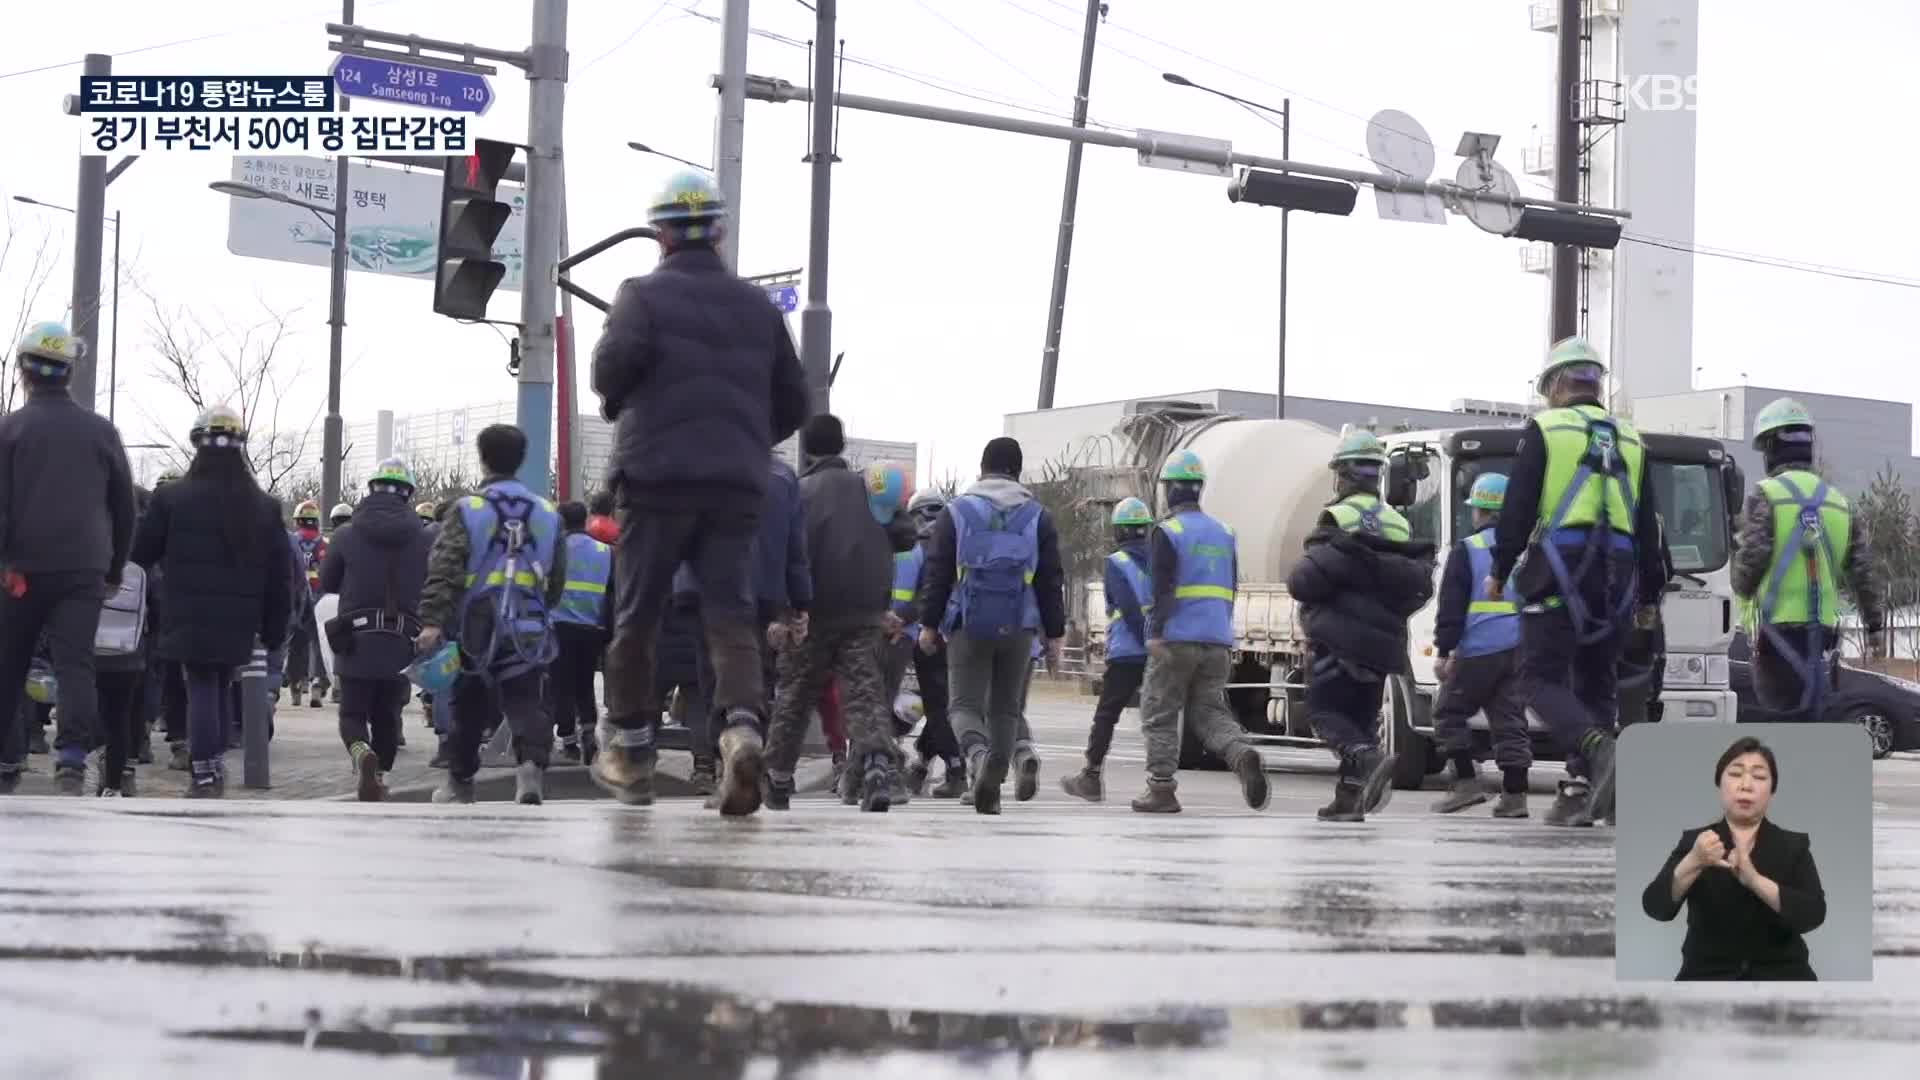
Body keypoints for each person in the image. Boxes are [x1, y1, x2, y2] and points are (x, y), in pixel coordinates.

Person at [589, 169, 809, 815]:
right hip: (736, 487)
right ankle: (741, 727)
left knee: (638, 617)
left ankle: (631, 749)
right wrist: (746, 440)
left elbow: (610, 370)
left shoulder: (640, 295)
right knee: (729, 616)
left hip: (656, 479)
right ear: (718, 230)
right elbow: (794, 398)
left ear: (660, 233)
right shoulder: (757, 307)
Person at [1490, 337, 1665, 828]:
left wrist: (1500, 570)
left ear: (1554, 384)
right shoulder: (1632, 439)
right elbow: (1649, 521)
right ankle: (1581, 789)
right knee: (1595, 679)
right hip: (1620, 573)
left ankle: (1596, 750)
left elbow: (1518, 509)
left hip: (1561, 566)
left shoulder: (1545, 429)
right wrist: (1649, 594)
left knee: (1536, 677)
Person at [0, 321, 138, 795]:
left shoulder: (9, 430)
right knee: (75, 664)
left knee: (9, 662)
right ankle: (72, 760)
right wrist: (115, 567)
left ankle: (5, 760)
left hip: (20, 569)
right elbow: (125, 508)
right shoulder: (101, 432)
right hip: (84, 568)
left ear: (25, 372)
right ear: (68, 372)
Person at [129, 405, 292, 797]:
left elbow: (140, 553)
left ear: (198, 444)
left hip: (187, 611)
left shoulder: (171, 499)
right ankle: (213, 765)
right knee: (220, 683)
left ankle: (205, 771)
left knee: (201, 684)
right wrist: (274, 629)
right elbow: (280, 577)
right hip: (241, 615)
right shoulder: (264, 505)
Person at [763, 425, 917, 812]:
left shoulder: (798, 492)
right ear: (842, 447)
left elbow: (783, 553)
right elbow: (905, 535)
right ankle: (878, 767)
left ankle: (778, 779)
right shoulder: (869, 490)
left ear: (806, 450)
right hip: (863, 610)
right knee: (865, 694)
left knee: (796, 694)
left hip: (811, 610)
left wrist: (785, 612)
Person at [1287, 430, 1437, 822]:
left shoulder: (1338, 518)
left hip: (1337, 642)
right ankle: (1349, 798)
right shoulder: (1399, 525)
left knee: (1324, 713)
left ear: (1343, 475)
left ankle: (1368, 763)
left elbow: (1305, 581)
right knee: (1360, 719)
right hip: (1383, 644)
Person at [416, 424, 567, 806]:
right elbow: (557, 576)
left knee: (468, 702)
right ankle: (530, 767)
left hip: (477, 622)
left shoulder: (468, 510)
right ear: (522, 459)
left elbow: (445, 568)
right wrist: (541, 607)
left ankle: (460, 781)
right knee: (526, 698)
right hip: (529, 617)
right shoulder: (548, 514)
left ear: (482, 459)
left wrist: (433, 621)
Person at [916, 436, 1067, 815]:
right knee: (1005, 710)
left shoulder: (957, 512)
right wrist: (1055, 635)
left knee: (962, 706)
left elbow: (937, 573)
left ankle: (980, 758)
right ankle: (993, 785)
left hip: (968, 624)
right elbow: (1051, 580)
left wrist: (929, 624)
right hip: (1021, 627)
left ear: (982, 469)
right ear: (1017, 471)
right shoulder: (1038, 516)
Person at [1128, 451, 1270, 815]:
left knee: (1159, 711)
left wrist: (1154, 633)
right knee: (1209, 712)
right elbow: (1231, 587)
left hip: (1176, 637)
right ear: (1199, 489)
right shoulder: (1224, 533)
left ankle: (1161, 789)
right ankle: (1240, 753)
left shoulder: (1168, 532)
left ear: (1171, 489)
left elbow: (1162, 587)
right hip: (1217, 638)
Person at [1732, 398, 1883, 722]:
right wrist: (1874, 628)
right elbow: (1863, 572)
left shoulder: (1767, 495)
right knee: (1816, 717)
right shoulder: (1840, 503)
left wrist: (1740, 584)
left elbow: (1748, 570)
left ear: (1772, 448)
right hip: (1824, 637)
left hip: (1777, 637)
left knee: (1782, 721)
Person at [1640, 736, 1827, 980]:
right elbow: (1656, 907)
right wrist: (1694, 861)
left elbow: (1813, 914)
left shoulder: (1794, 845)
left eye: (1759, 777)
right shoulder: (1695, 842)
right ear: (1719, 784)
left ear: (1772, 791)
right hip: (1706, 977)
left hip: (1782, 977)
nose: (1746, 785)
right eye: (1736, 774)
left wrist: (1754, 880)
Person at [317, 459, 432, 802]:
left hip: (355, 637)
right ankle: (379, 774)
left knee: (352, 713)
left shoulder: (345, 533)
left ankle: (360, 753)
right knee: (388, 715)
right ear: (408, 494)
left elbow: (327, 582)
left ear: (371, 489)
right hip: (402, 639)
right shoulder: (425, 538)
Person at [1428, 472, 1532, 818]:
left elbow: (1451, 606)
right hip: (1517, 648)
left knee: (1448, 713)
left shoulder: (1467, 550)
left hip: (1477, 649)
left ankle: (1466, 784)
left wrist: (1444, 651)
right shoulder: (1526, 550)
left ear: (1482, 512)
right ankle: (1515, 797)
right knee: (1510, 721)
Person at [1061, 497, 1155, 803]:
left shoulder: (1116, 563)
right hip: (1161, 650)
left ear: (1119, 532)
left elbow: (1127, 607)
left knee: (1107, 714)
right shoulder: (1161, 562)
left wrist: (1144, 639)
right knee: (1159, 717)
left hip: (1128, 651)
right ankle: (1160, 782)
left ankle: (1091, 776)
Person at [896, 488, 964, 798]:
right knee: (946, 706)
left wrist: (901, 620)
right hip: (960, 634)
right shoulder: (958, 543)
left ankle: (955, 768)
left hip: (925, 635)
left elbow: (914, 596)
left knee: (933, 709)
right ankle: (924, 764)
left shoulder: (917, 548)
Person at [551, 500, 615, 765]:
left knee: (561, 686)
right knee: (584, 684)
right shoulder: (605, 551)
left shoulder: (554, 550)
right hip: (592, 628)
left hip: (558, 626)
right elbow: (612, 592)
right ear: (585, 519)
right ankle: (589, 733)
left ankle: (568, 742)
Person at [286, 499, 331, 709]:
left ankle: (295, 685)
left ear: (298, 521)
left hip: (296, 597)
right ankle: (316, 682)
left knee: (296, 643)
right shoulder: (325, 544)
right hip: (319, 598)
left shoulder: (290, 541)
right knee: (318, 643)